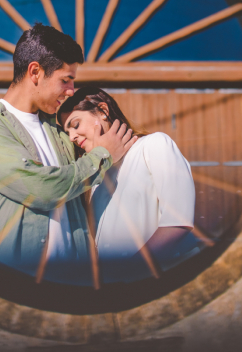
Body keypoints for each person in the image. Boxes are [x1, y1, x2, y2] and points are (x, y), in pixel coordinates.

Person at [0, 24, 137, 279]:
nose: (71, 91)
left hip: (76, 284)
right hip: (14, 285)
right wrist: (102, 156)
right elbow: (42, 189)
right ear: (35, 72)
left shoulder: (60, 129)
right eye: (65, 80)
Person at [58, 87, 196, 282]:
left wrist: (130, 272)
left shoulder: (154, 145)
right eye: (67, 131)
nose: (72, 137)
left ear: (103, 111)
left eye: (75, 124)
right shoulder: (96, 178)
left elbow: (178, 223)